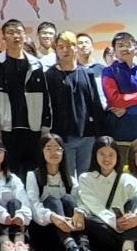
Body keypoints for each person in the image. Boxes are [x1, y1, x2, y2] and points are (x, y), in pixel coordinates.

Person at [74, 136, 137, 251]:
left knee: (135, 202)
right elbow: (95, 207)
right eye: (102, 154)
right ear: (95, 155)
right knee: (90, 220)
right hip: (104, 229)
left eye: (111, 154)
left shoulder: (127, 178)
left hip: (126, 226)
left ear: (117, 156)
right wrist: (117, 223)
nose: (107, 159)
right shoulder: (86, 178)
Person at [0, 19, 48, 175]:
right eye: (10, 32)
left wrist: (45, 127)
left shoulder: (36, 64)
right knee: (9, 171)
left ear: (25, 35)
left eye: (19, 32)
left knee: (32, 172)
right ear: (4, 38)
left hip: (32, 127)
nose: (16, 36)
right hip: (6, 128)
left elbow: (46, 98)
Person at [25, 134, 95, 251]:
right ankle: (70, 245)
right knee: (52, 201)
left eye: (57, 148)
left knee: (69, 199)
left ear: (63, 152)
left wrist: (79, 212)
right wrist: (53, 217)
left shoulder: (69, 178)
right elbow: (33, 206)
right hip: (45, 232)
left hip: (69, 230)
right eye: (49, 148)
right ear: (42, 151)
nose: (54, 152)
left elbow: (81, 201)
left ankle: (83, 244)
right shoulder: (33, 176)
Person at [40, 38, 102, 178]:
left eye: (69, 46)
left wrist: (100, 132)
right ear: (56, 50)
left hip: (87, 134)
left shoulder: (87, 73)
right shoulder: (49, 75)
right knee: (67, 178)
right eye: (60, 47)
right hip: (62, 136)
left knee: (86, 177)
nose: (65, 50)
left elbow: (95, 104)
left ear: (75, 48)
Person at [101, 32, 137, 143]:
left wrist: (127, 109)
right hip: (120, 136)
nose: (125, 48)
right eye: (120, 45)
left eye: (128, 45)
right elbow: (114, 100)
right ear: (114, 51)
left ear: (135, 48)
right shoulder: (109, 72)